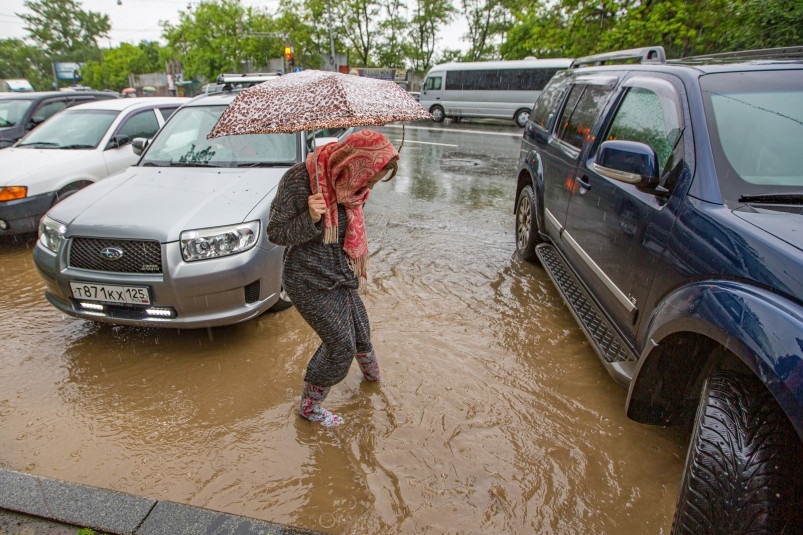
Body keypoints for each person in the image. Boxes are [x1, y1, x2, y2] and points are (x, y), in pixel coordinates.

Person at [266, 129, 400, 427]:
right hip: (308, 281)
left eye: (374, 183)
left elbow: (347, 234)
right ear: (355, 165)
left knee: (361, 330)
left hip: (341, 275)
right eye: (368, 180)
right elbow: (275, 233)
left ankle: (373, 379)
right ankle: (309, 408)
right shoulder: (299, 181)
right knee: (340, 346)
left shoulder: (353, 184)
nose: (368, 188)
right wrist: (310, 218)